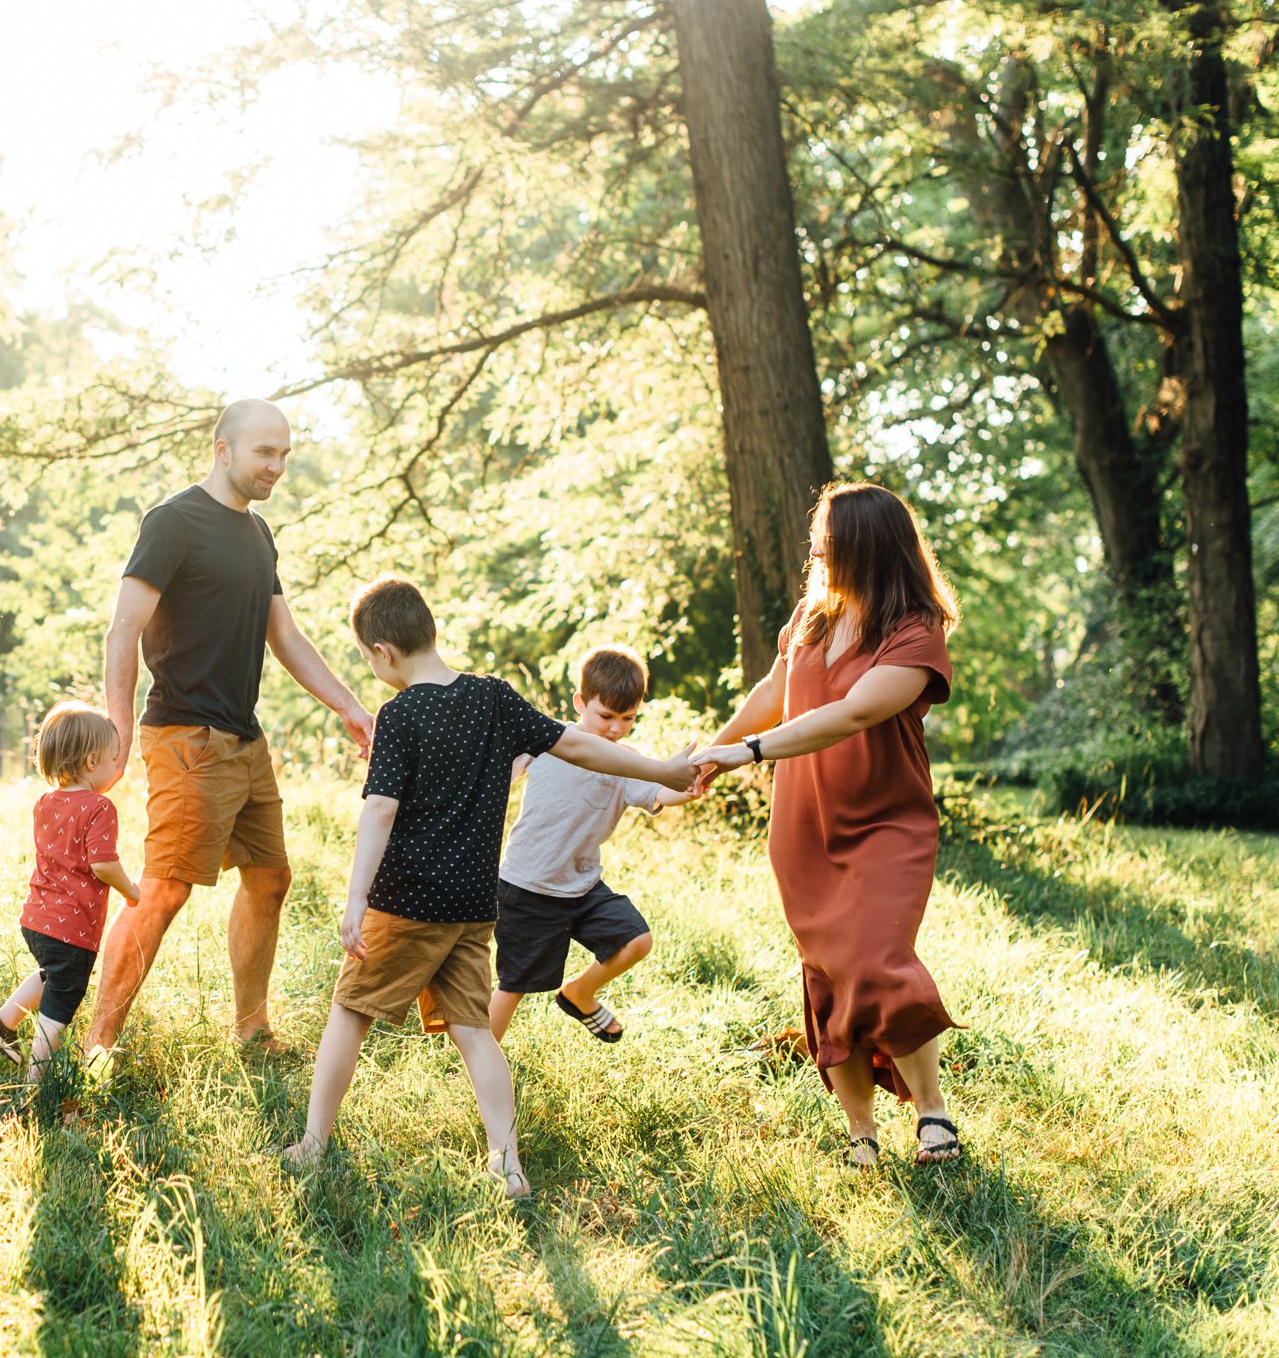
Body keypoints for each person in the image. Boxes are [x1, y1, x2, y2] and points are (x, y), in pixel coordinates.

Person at [278, 577, 698, 1198]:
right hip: (475, 905)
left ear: (380, 652)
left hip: (406, 900)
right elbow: (580, 746)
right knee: (473, 1029)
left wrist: (354, 898)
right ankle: (507, 1163)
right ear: (433, 633)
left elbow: (380, 811)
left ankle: (312, 1145)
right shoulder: (493, 699)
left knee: (349, 1013)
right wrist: (661, 767)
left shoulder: (398, 715)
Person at [87, 399, 375, 1059]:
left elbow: (286, 635)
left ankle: (251, 1029)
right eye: (264, 453)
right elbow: (123, 628)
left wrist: (351, 706)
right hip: (185, 733)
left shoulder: (258, 535)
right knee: (164, 888)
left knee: (270, 878)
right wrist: (120, 726)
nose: (276, 466)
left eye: (284, 455)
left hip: (244, 738)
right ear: (223, 450)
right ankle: (97, 1046)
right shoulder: (174, 521)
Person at [692, 481, 964, 1168]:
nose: (813, 550)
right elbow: (773, 690)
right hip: (804, 825)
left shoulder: (914, 628)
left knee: (876, 960)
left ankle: (932, 1112)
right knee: (829, 976)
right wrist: (712, 756)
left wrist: (748, 751)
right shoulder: (814, 614)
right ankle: (862, 1134)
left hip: (886, 824)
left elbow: (852, 713)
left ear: (867, 549)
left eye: (828, 541)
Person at [490, 644, 703, 1044]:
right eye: (605, 716)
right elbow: (496, 774)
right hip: (527, 886)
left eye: (628, 718)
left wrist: (688, 788)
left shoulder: (628, 762)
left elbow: (660, 791)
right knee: (514, 984)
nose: (616, 729)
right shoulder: (549, 740)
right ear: (580, 703)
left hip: (582, 885)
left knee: (636, 940)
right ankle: (478, 1065)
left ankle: (579, 992)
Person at [0, 701, 141, 1080]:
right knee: (62, 1000)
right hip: (72, 929)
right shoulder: (100, 807)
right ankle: (39, 1081)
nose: (117, 768)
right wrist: (130, 889)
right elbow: (102, 864)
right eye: (113, 760)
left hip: (37, 920)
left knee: (52, 974)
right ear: (90, 762)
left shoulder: (45, 803)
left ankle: (3, 1021)